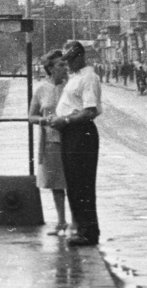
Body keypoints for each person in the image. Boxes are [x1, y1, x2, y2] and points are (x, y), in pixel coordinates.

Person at [42, 40, 101, 247]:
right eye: (64, 61)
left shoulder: (88, 77)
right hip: (69, 133)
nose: (67, 64)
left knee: (83, 184)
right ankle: (81, 229)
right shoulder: (75, 77)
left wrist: (65, 120)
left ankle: (88, 232)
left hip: (81, 133)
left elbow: (89, 110)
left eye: (70, 60)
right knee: (74, 184)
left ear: (80, 57)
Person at [30, 50, 69, 236]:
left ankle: (78, 223)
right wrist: (44, 121)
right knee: (56, 183)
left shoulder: (71, 87)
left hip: (72, 139)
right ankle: (61, 221)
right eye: (60, 65)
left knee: (75, 183)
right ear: (50, 69)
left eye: (65, 64)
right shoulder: (41, 89)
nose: (64, 68)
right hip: (51, 141)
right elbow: (31, 116)